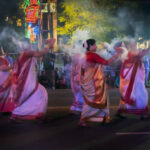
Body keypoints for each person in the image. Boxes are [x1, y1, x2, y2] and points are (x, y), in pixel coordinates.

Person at [79, 39, 122, 126]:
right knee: (94, 101)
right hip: (94, 83)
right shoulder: (93, 55)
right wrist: (117, 55)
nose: (96, 46)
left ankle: (105, 117)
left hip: (90, 81)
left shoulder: (86, 55)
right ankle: (83, 119)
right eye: (95, 45)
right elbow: (106, 62)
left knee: (101, 99)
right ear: (90, 47)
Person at [10, 39, 55, 120]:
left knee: (36, 95)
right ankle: (23, 113)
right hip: (27, 81)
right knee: (41, 93)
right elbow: (40, 54)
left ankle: (20, 113)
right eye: (30, 44)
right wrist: (48, 45)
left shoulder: (23, 53)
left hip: (25, 80)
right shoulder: (27, 52)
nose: (31, 45)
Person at [116, 40, 150, 119]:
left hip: (132, 76)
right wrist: (148, 48)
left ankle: (121, 111)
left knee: (127, 95)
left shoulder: (127, 53)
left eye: (134, 44)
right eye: (132, 44)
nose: (134, 45)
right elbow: (141, 55)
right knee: (140, 93)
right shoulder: (130, 53)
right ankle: (142, 113)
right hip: (132, 78)